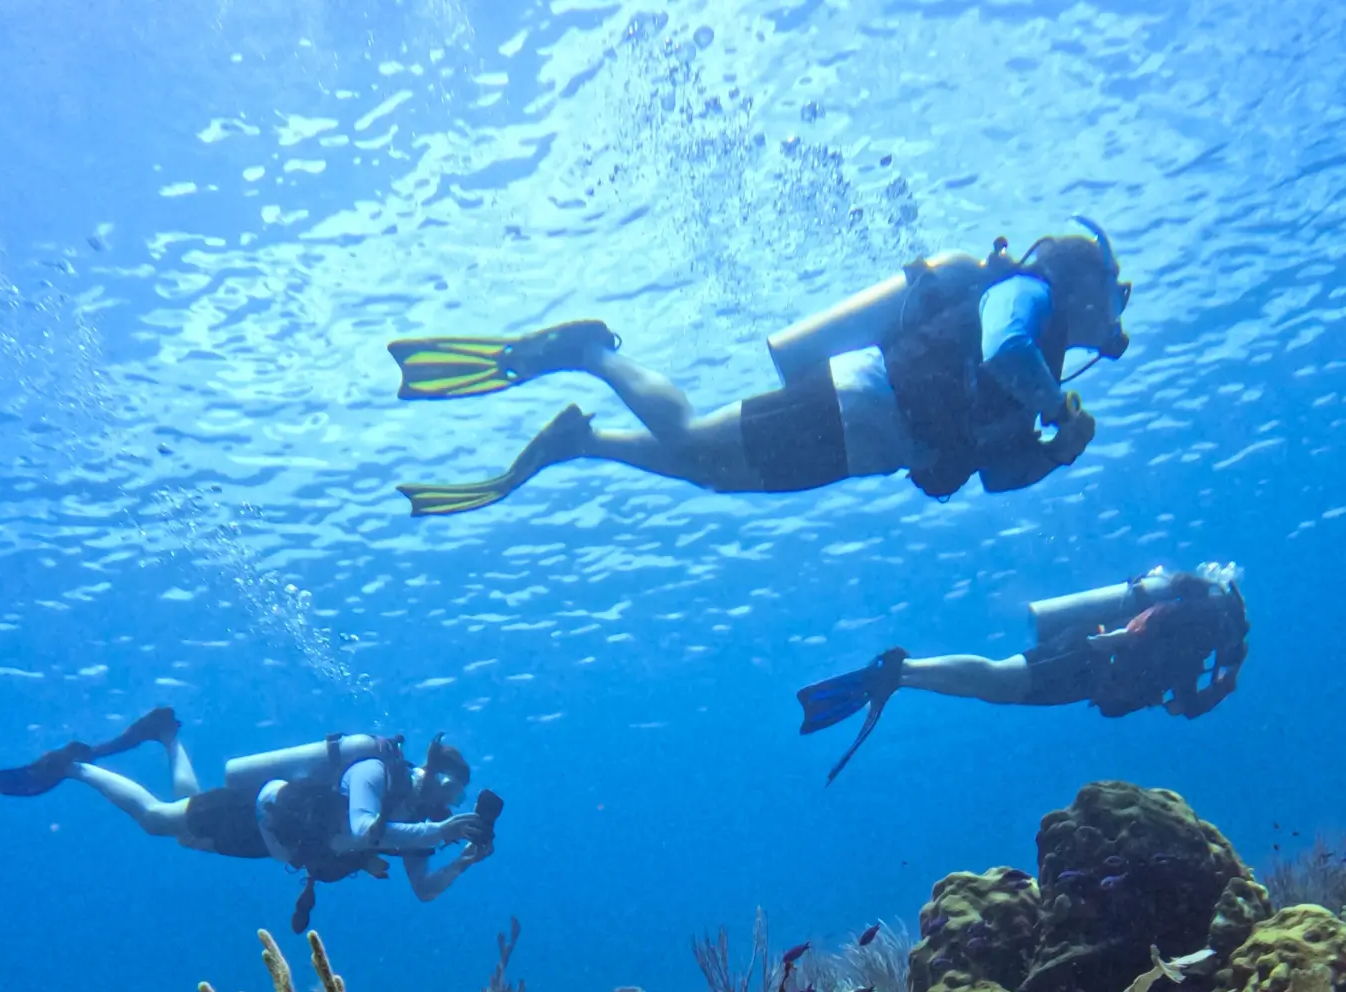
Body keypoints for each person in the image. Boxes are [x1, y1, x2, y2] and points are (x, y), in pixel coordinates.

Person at [386, 217, 1130, 515]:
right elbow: (1002, 348)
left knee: (706, 468)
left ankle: (583, 440)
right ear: (1081, 279)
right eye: (1114, 293)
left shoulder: (1049, 363)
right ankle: (594, 354)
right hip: (857, 406)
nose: (1116, 316)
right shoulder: (1029, 295)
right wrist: (1055, 414)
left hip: (865, 445)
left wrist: (1054, 455)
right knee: (689, 437)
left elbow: (996, 473)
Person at [0, 710, 497, 930]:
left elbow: (424, 889)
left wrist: (466, 861)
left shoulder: (417, 816)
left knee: (185, 831)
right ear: (429, 770)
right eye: (451, 791)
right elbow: (363, 831)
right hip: (256, 813)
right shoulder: (375, 772)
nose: (449, 805)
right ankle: (76, 767)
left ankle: (166, 734)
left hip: (269, 843)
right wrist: (440, 832)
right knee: (158, 820)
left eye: (457, 800)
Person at [797, 565, 1249, 783]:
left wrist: (1222, 685)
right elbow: (1147, 627)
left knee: (999, 689)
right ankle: (899, 669)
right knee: (999, 678)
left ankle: (900, 676)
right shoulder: (1198, 624)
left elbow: (1181, 705)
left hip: (1090, 674)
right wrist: (1115, 644)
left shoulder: (1199, 646)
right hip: (1086, 656)